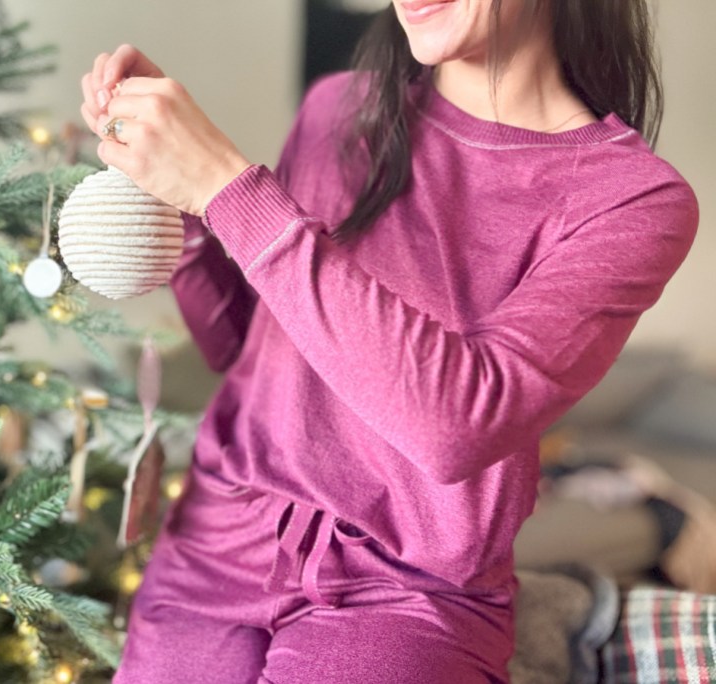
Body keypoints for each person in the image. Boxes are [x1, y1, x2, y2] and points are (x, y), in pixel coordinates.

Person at [79, 1, 698, 681]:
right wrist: (180, 202)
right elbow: (251, 350)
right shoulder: (334, 108)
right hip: (213, 545)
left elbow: (458, 424)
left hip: (412, 591)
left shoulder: (631, 200)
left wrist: (226, 189)